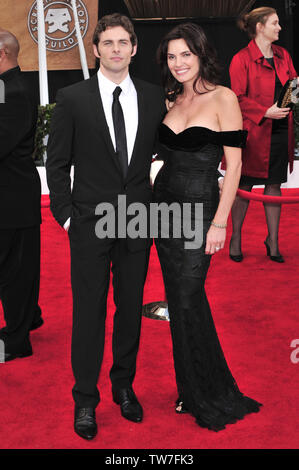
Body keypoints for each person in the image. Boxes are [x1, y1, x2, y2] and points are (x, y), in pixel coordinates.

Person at [46, 14, 165, 440]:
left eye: (123, 42)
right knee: (89, 312)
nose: (116, 49)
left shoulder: (153, 97)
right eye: (108, 43)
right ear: (96, 50)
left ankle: (123, 385)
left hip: (137, 222)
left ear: (134, 49)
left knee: (131, 309)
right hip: (89, 224)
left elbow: (161, 154)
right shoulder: (73, 98)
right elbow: (56, 164)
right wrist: (65, 216)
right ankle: (84, 399)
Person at [154, 22, 262, 431]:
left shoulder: (223, 98)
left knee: (186, 298)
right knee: (184, 304)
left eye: (186, 54)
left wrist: (220, 224)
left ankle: (209, 391)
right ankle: (191, 389)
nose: (178, 63)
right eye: (171, 56)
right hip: (162, 210)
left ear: (201, 55)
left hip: (201, 211)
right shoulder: (170, 98)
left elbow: (233, 167)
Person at [228, 7, 298, 263]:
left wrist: (290, 104)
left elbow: (293, 85)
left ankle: (273, 241)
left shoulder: (283, 55)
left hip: (280, 130)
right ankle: (235, 238)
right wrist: (264, 112)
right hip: (252, 133)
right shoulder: (241, 59)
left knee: (274, 186)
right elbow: (235, 97)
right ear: (259, 27)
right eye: (275, 23)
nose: (280, 28)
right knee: (244, 186)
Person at [0, 30, 42, 362]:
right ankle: (28, 318)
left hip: (12, 198)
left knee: (14, 270)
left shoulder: (13, 92)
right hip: (11, 196)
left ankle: (17, 340)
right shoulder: (10, 87)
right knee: (16, 267)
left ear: (2, 54)